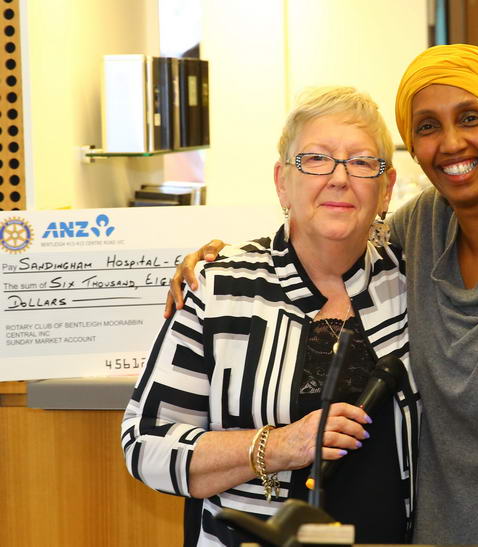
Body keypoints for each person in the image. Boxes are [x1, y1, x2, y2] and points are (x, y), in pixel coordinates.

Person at [167, 45, 478, 546]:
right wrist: (227, 260)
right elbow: (331, 229)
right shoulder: (419, 230)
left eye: (470, 118)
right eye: (428, 126)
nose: (451, 142)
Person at [122, 87, 421, 547]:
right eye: (316, 159)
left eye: (362, 162)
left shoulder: (414, 281)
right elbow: (145, 445)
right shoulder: (220, 289)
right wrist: (279, 445)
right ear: (283, 181)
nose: (340, 178)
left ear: (386, 188)